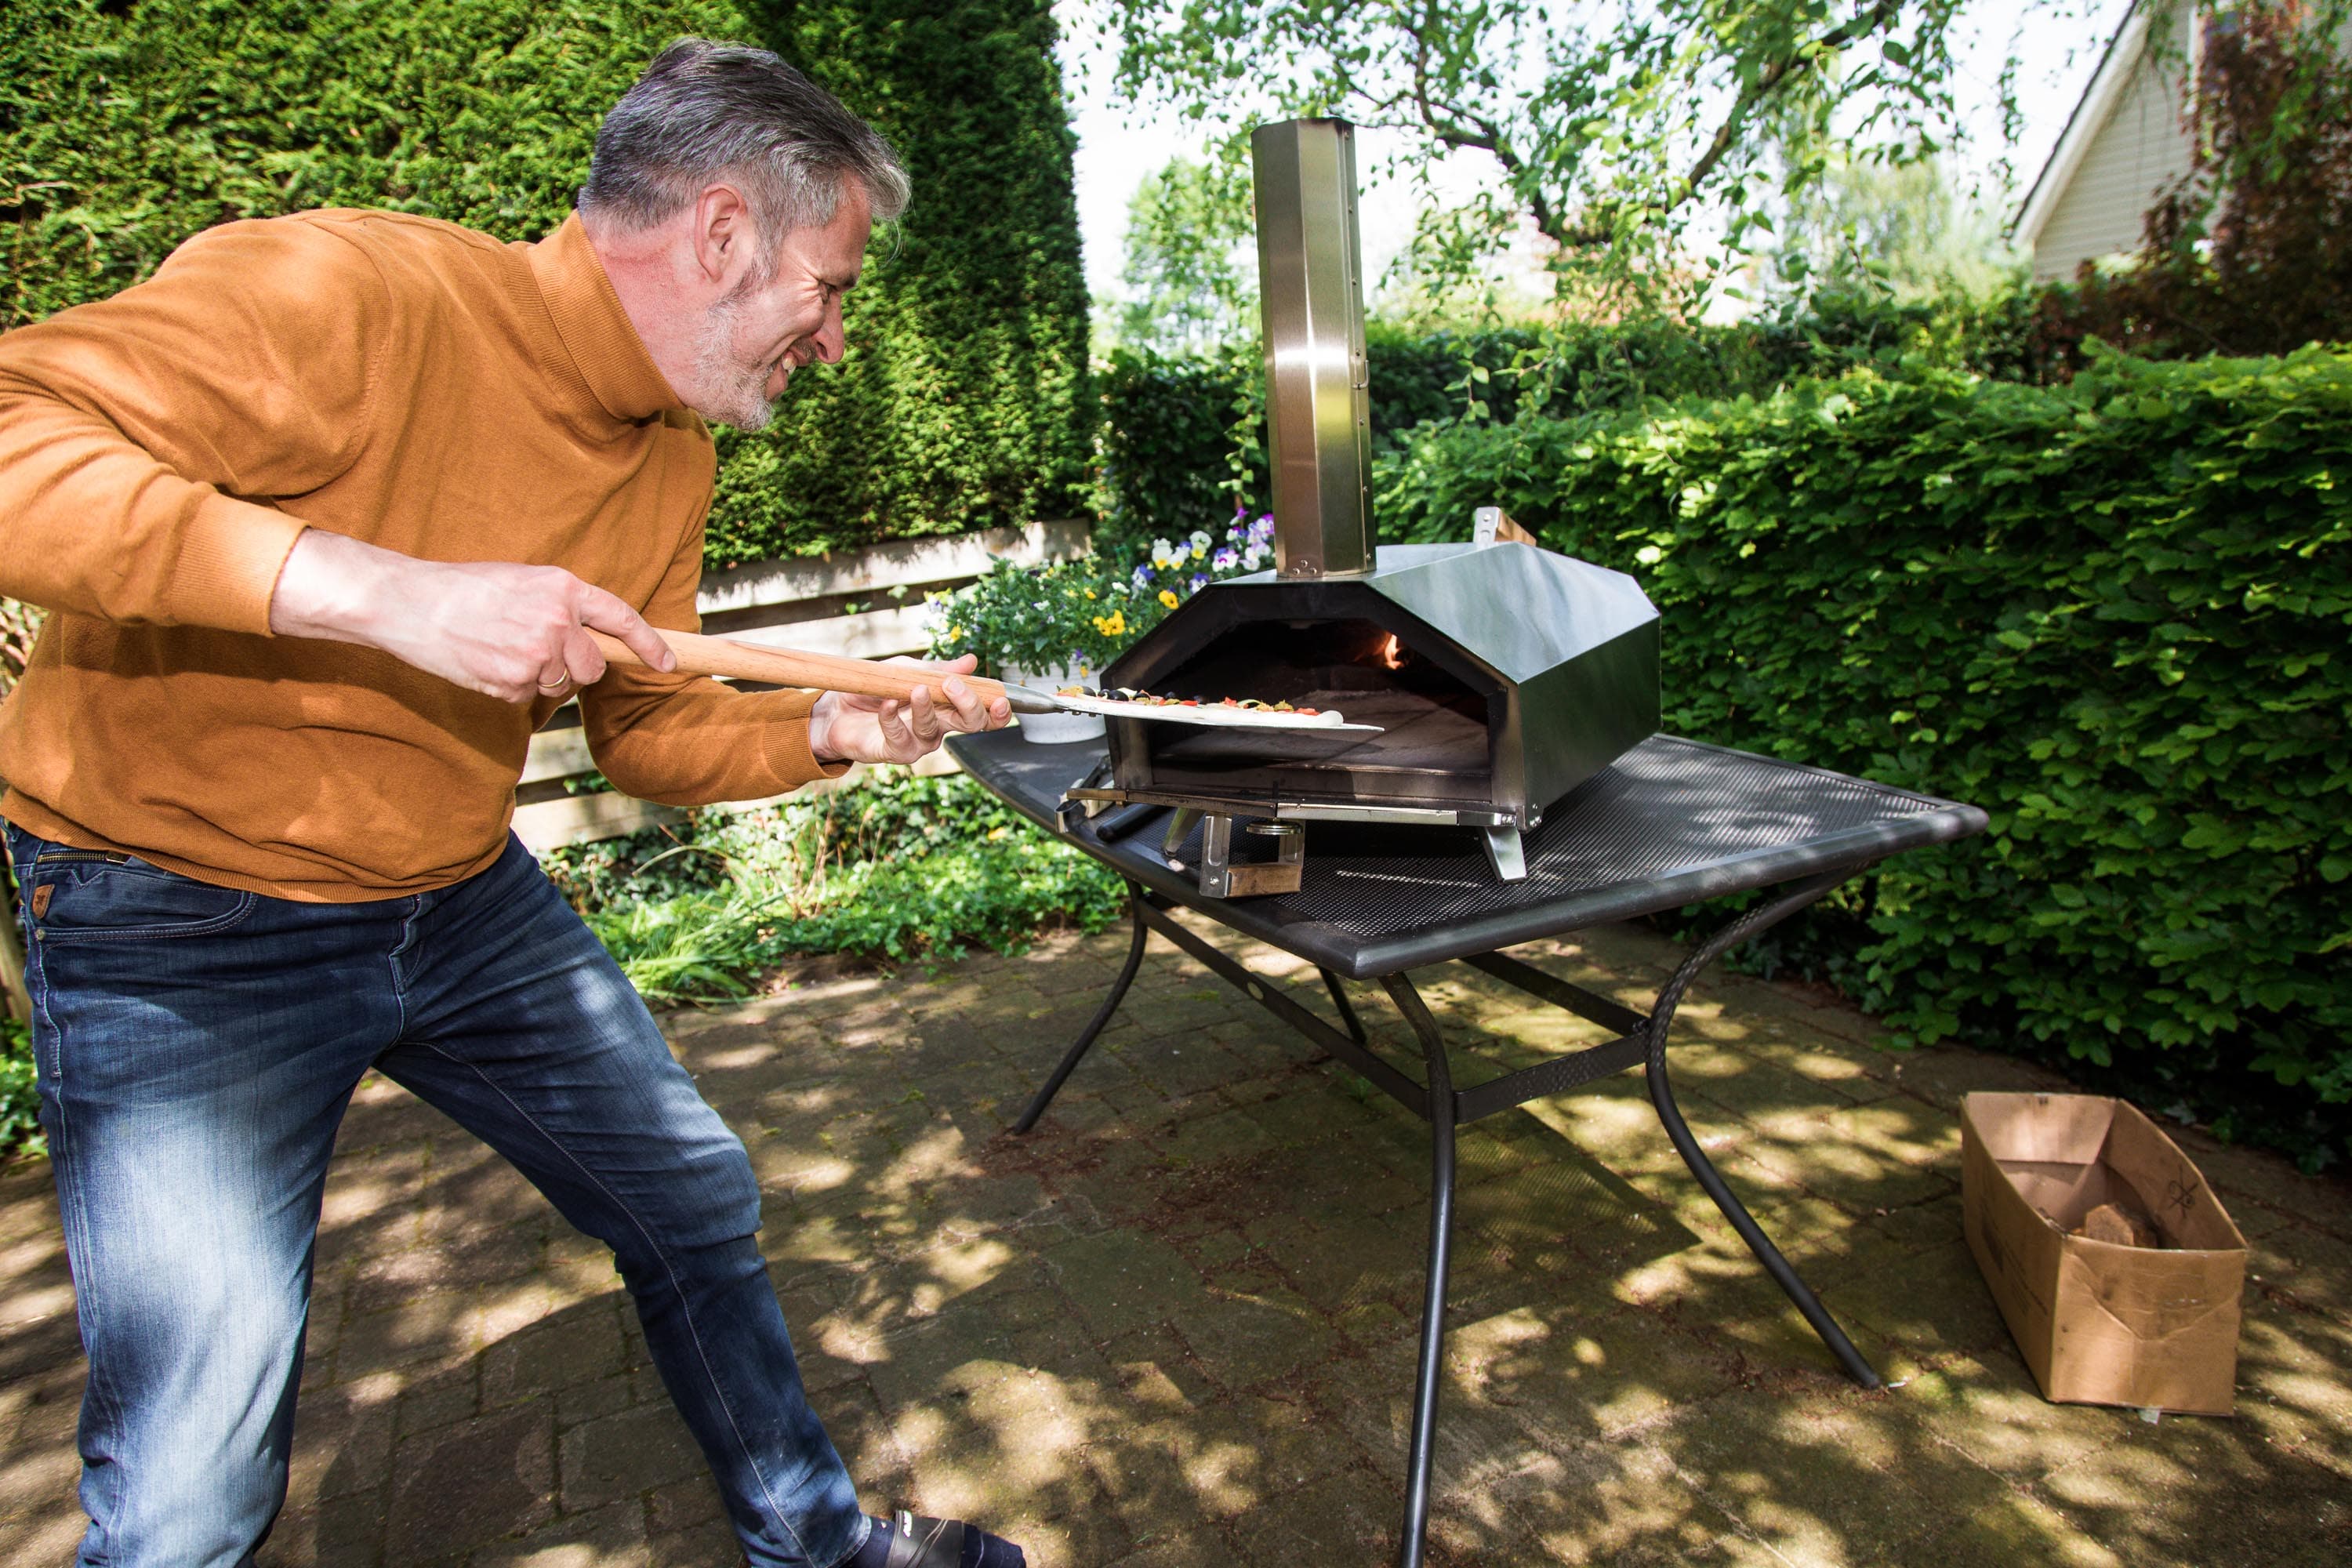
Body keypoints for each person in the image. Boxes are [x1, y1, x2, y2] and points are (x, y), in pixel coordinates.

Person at [0, 38, 1029, 1568]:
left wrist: (830, 726)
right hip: (177, 915)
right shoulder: (356, 294)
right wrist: (375, 592)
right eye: (833, 288)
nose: (830, 341)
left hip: (455, 897)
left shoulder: (666, 457)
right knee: (189, 1486)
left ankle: (812, 1542)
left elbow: (652, 735)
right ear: (725, 231)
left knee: (690, 1193)